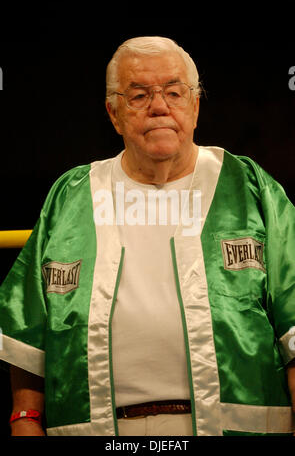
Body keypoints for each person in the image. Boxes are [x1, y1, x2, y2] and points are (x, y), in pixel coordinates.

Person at [0, 36, 295, 437]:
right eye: (139, 95)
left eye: (174, 92)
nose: (159, 106)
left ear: (194, 106)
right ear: (114, 114)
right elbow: (28, 338)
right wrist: (25, 419)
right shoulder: (70, 197)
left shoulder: (250, 189)